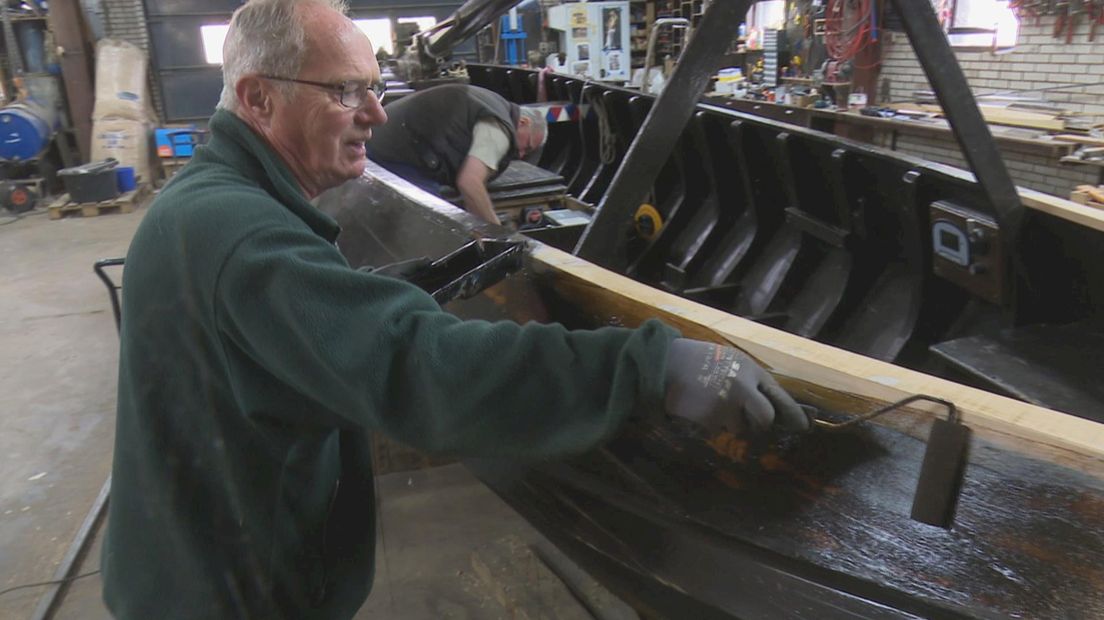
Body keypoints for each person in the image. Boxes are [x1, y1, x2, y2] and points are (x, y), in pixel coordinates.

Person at [100, 0, 808, 617]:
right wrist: (651, 365)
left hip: (201, 563)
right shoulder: (241, 236)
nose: (377, 115)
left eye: (374, 88)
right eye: (347, 91)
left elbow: (299, 324)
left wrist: (423, 276)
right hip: (225, 597)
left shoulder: (212, 205)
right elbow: (417, 371)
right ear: (257, 99)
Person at [366, 83, 547, 225]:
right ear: (523, 122)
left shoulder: (495, 103)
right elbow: (469, 182)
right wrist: (499, 235)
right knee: (433, 222)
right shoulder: (500, 128)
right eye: (527, 146)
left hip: (380, 137)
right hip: (392, 152)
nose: (522, 154)